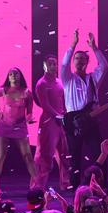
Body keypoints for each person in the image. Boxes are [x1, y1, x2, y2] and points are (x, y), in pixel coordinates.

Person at [61, 29, 108, 189]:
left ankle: (101, 184)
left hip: (90, 122)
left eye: (83, 59)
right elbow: (64, 64)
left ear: (87, 62)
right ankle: (75, 188)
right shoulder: (67, 78)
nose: (80, 61)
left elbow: (104, 65)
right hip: (73, 123)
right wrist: (73, 45)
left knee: (98, 154)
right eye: (77, 58)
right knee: (74, 157)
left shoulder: (92, 79)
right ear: (74, 62)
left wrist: (94, 48)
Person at [0, 67, 37, 189]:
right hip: (4, 126)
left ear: (20, 76)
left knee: (27, 155)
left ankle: (36, 182)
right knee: (1, 154)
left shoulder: (27, 92)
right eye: (11, 74)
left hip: (20, 126)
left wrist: (29, 118)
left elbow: (29, 112)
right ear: (8, 77)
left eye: (16, 73)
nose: (13, 76)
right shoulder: (4, 90)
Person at [34, 55, 71, 190]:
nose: (53, 66)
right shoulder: (41, 84)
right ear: (44, 66)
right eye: (50, 64)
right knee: (45, 156)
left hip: (60, 122)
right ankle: (38, 186)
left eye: (55, 63)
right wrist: (58, 115)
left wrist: (65, 113)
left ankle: (65, 184)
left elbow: (61, 101)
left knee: (65, 153)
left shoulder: (59, 82)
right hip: (49, 122)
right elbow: (45, 105)